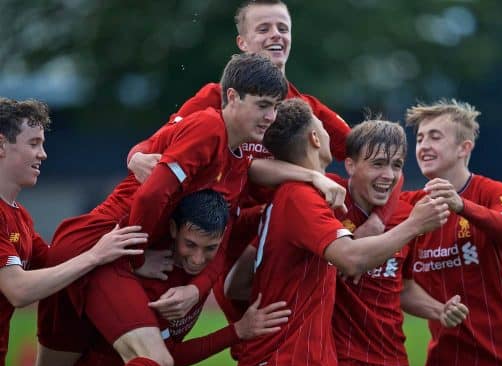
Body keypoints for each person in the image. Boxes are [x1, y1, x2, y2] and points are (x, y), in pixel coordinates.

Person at [8, 54, 342, 366]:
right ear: (231, 97)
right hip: (103, 246)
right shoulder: (208, 127)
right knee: (153, 361)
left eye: (274, 107)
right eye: (262, 106)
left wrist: (197, 290)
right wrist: (137, 259)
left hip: (110, 250)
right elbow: (152, 194)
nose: (270, 117)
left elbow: (222, 234)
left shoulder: (237, 161)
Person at [127, 0, 401, 335]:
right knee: (158, 343)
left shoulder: (307, 109)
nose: (276, 35)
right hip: (220, 243)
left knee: (291, 343)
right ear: (242, 43)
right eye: (264, 28)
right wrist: (135, 155)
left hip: (286, 242)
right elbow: (156, 144)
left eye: (283, 28)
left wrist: (378, 220)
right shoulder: (215, 100)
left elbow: (384, 159)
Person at [225, 110, 470, 366]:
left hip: (388, 363)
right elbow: (351, 257)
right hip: (331, 362)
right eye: (378, 164)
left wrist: (438, 310)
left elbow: (401, 286)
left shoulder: (402, 209)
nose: (389, 175)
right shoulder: (321, 199)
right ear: (350, 165)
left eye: (397, 165)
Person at [60, 189, 291, 366]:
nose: (198, 259)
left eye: (210, 248)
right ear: (172, 229)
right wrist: (238, 330)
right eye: (190, 244)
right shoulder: (155, 277)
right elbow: (168, 356)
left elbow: (249, 218)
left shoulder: (213, 251)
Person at [0, 97, 148, 366]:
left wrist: (137, 262)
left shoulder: (20, 217)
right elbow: (19, 290)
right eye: (33, 143)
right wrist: (96, 254)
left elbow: (58, 265)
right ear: (2, 145)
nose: (43, 154)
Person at [402, 99, 502, 366]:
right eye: (420, 138)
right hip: (445, 364)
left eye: (435, 136)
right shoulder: (409, 207)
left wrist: (461, 205)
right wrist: (439, 310)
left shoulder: (492, 191)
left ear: (464, 148)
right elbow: (401, 286)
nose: (423, 145)